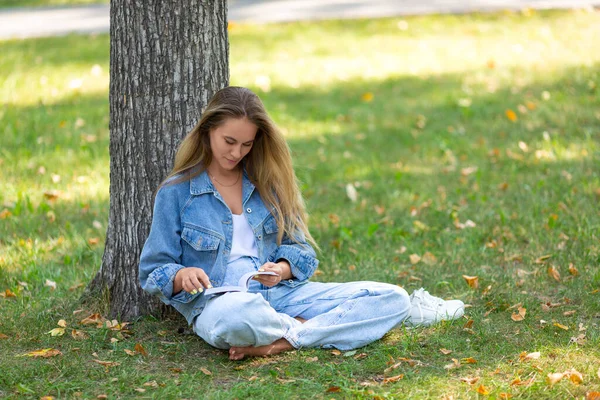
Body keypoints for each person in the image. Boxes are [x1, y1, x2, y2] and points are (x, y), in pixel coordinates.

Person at [139, 86, 464, 361]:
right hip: (221, 302)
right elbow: (153, 269)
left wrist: (281, 269)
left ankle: (283, 339)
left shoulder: (266, 183)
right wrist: (182, 275)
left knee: (392, 297)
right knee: (237, 320)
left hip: (280, 294)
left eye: (247, 144)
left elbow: (300, 250)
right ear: (207, 130)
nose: (237, 152)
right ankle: (320, 325)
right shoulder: (177, 192)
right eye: (229, 141)